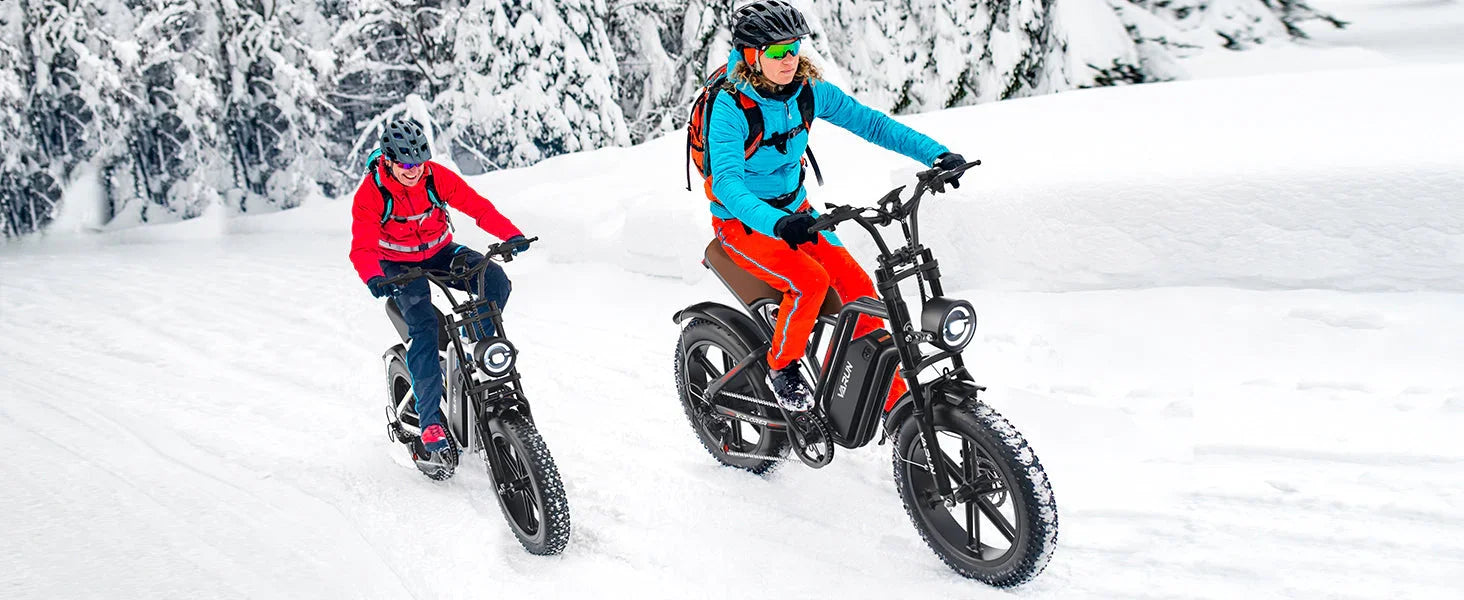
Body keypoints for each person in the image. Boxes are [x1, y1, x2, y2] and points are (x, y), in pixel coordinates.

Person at [705, 0, 966, 411]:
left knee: (862, 294)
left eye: (794, 48)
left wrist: (935, 154)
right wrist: (777, 224)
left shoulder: (809, 92)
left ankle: (894, 409)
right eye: (776, 52)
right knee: (808, 281)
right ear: (751, 56)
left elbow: (872, 124)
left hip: (799, 213)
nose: (789, 59)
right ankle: (783, 367)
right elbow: (729, 187)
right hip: (744, 225)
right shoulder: (730, 108)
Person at [348, 118, 531, 465]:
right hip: (397, 264)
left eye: (418, 163)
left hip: (440, 251)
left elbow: (477, 206)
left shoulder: (435, 176)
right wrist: (373, 276)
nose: (413, 171)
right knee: (424, 327)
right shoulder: (371, 193)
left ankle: (468, 343)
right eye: (405, 165)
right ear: (388, 160)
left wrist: (511, 235)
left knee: (495, 281)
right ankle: (431, 421)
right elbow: (362, 248)